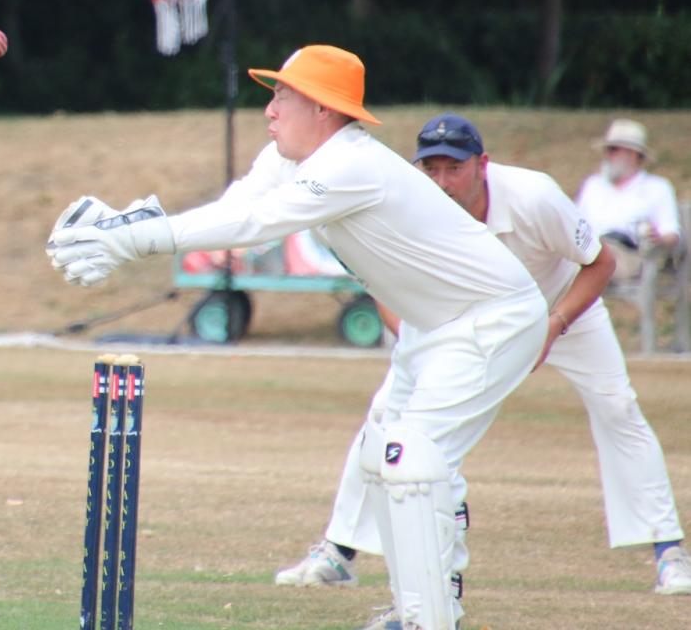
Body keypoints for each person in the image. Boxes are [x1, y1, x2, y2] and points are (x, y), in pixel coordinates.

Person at [46, 45, 548, 630]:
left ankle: (428, 621)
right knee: (383, 450)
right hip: (432, 326)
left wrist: (139, 242)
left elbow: (257, 225)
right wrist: (130, 227)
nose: (270, 108)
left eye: (284, 95)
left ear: (326, 111)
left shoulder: (351, 163)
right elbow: (236, 208)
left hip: (493, 317)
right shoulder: (290, 159)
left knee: (411, 457)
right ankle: (422, 608)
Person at [273, 113, 691, 604]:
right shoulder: (410, 204)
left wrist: (552, 326)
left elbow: (600, 263)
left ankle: (669, 552)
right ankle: (339, 552)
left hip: (561, 303)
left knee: (617, 405)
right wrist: (416, 338)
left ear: (482, 165)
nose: (443, 181)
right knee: (389, 411)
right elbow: (383, 281)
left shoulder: (534, 195)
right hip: (470, 320)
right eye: (432, 169)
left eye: (455, 167)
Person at [575, 118, 682, 282]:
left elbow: (671, 233)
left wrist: (657, 238)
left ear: (632, 154)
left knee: (595, 261)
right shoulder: (593, 184)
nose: (607, 155)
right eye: (607, 150)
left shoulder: (657, 187)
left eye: (613, 149)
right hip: (586, 251)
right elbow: (575, 224)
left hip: (627, 255)